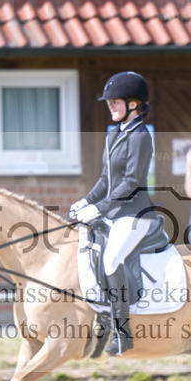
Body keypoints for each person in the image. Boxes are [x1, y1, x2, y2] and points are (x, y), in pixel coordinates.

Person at [69, 71, 159, 355]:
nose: (110, 107)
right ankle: (102, 317)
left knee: (110, 260)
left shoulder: (141, 136)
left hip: (136, 214)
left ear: (133, 104)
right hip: (116, 213)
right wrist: (85, 201)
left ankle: (123, 334)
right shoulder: (115, 135)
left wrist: (100, 208)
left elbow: (131, 182)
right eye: (108, 103)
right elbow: (106, 179)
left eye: (115, 102)